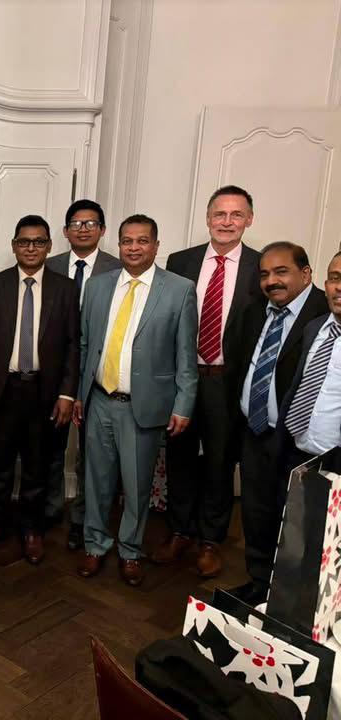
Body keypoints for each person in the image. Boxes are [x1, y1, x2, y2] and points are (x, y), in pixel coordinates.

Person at [75, 214, 198, 587]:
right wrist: (80, 395)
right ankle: (95, 545)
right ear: (118, 244)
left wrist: (183, 404)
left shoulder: (179, 290)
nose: (133, 247)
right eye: (127, 241)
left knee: (137, 485)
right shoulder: (97, 286)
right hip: (98, 400)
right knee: (95, 481)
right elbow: (85, 345)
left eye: (142, 241)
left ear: (156, 246)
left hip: (142, 407)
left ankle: (130, 550)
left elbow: (185, 356)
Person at [156, 186, 262, 578]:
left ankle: (210, 540)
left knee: (220, 460)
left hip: (227, 382)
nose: (227, 222)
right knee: (179, 457)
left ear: (249, 219)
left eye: (236, 214)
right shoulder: (180, 261)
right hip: (183, 379)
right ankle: (179, 531)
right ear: (207, 217)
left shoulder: (260, 266)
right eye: (220, 213)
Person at [0, 215, 80, 564]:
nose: (31, 248)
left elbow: (73, 345)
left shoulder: (65, 288)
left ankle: (32, 530)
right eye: (24, 242)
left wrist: (66, 394)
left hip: (44, 392)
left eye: (38, 242)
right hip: (3, 389)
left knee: (37, 465)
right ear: (14, 245)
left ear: (49, 246)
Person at [227, 242, 326, 606]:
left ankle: (291, 602)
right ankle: (259, 584)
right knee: (256, 513)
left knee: (299, 523)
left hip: (297, 441)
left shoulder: (324, 314)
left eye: (281, 272)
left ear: (306, 273)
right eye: (265, 274)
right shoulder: (256, 310)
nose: (272, 281)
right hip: (254, 432)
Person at [44, 199, 121, 550]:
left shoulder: (118, 269)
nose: (83, 228)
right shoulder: (49, 265)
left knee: (92, 453)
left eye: (91, 223)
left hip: (98, 370)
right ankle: (50, 510)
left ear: (102, 230)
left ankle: (83, 519)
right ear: (65, 231)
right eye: (76, 223)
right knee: (51, 447)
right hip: (54, 369)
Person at [274, 253, 341, 519]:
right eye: (334, 278)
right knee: (290, 529)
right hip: (295, 453)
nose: (339, 287)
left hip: (335, 462)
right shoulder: (315, 328)